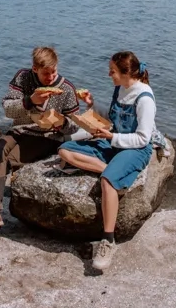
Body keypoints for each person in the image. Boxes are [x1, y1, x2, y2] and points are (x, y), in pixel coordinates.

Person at [57, 51, 158, 270]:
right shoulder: (120, 89)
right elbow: (114, 118)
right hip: (114, 143)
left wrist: (111, 137)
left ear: (125, 73)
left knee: (107, 181)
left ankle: (108, 240)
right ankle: (112, 170)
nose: (108, 74)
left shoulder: (144, 99)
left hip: (136, 149)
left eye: (112, 71)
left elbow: (143, 138)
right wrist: (93, 105)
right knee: (65, 151)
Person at [0, 46, 80, 234]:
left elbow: (74, 125)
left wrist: (61, 123)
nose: (51, 77)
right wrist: (30, 101)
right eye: (46, 74)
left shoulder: (67, 88)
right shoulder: (23, 77)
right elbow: (7, 108)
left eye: (54, 72)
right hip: (19, 131)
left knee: (6, 161)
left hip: (47, 137)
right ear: (35, 68)